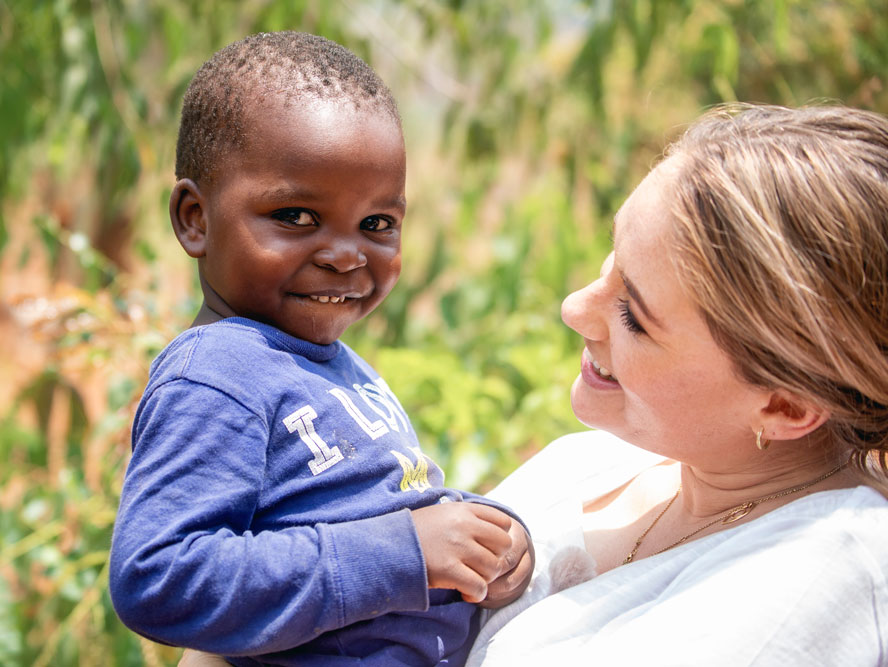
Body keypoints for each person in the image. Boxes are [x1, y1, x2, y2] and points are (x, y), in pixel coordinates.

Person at [107, 31, 533, 667]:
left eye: (377, 224)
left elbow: (388, 506)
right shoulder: (217, 374)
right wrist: (405, 553)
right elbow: (159, 577)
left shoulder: (335, 367)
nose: (345, 254)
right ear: (196, 218)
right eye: (296, 216)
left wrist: (487, 536)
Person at [466, 104, 888, 666]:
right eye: (612, 258)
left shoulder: (813, 581)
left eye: (634, 316)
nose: (575, 309)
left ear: (785, 405)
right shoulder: (591, 461)